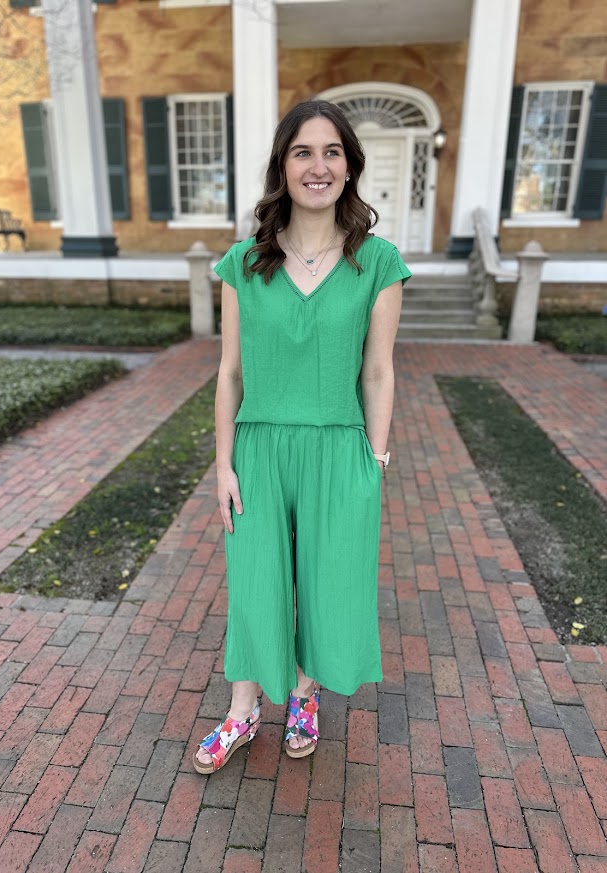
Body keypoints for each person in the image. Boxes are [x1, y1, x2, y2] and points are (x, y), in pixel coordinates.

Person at [193, 99, 410, 774]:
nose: (317, 166)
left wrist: (373, 456)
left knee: (326, 581)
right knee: (254, 579)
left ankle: (305, 695)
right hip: (257, 449)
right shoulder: (242, 262)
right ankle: (241, 710)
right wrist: (223, 463)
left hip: (338, 447)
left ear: (348, 167)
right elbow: (229, 372)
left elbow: (377, 370)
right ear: (282, 168)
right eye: (301, 153)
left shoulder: (376, 261)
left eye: (331, 152)